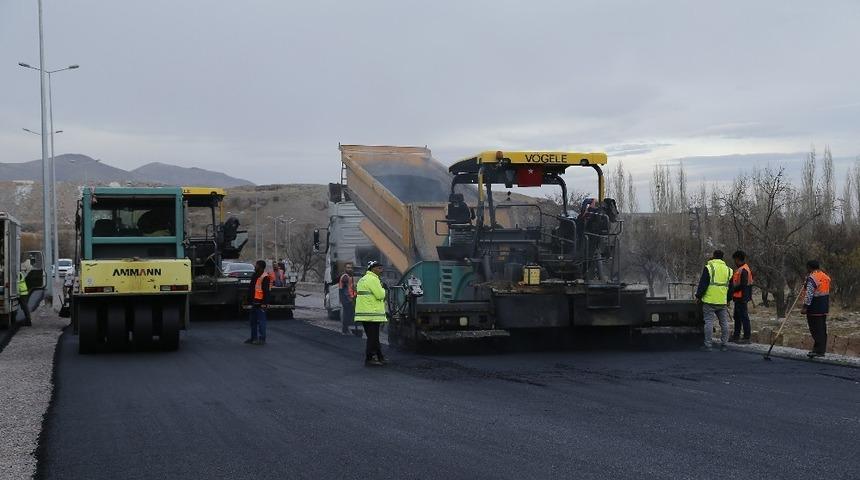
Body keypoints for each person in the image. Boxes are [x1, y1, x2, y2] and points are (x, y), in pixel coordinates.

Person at [695, 250, 733, 351]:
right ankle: (724, 344)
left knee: (709, 322)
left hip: (709, 300)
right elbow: (731, 287)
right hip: (722, 302)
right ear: (722, 258)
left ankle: (708, 345)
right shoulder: (729, 270)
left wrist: (698, 296)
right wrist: (728, 299)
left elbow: (703, 283)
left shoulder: (709, 267)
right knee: (724, 323)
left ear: (713, 256)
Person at [355, 260, 387, 366]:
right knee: (373, 338)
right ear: (372, 269)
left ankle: (380, 356)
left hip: (364, 314)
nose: (381, 270)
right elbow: (380, 295)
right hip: (372, 314)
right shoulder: (373, 279)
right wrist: (384, 289)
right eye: (379, 268)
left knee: (373, 337)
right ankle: (369, 358)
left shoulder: (363, 279)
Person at [801, 260, 831, 358]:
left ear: (809, 267)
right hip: (824, 306)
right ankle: (820, 350)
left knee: (815, 329)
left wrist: (805, 306)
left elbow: (809, 294)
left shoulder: (812, 278)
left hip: (814, 307)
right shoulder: (825, 276)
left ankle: (818, 350)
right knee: (822, 329)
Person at [728, 250, 753, 344]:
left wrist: (733, 290)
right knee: (737, 317)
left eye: (735, 259)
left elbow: (743, 284)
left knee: (743, 317)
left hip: (742, 297)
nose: (734, 262)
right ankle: (736, 335)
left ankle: (746, 337)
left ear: (738, 259)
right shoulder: (741, 269)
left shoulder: (743, 270)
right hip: (739, 297)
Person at [245, 260, 270, 346]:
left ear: (260, 266)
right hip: (254, 302)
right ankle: (253, 338)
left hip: (260, 303)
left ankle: (262, 339)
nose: (255, 266)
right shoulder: (255, 275)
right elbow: (251, 289)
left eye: (256, 265)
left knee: (261, 321)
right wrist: (248, 300)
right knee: (253, 321)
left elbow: (266, 291)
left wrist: (264, 303)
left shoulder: (265, 277)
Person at [339, 262, 357, 335]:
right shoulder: (345, 277)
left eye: (351, 268)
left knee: (348, 315)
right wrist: (351, 298)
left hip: (348, 298)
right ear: (345, 269)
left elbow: (351, 288)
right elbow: (346, 290)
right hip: (346, 299)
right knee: (347, 315)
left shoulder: (348, 276)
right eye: (348, 268)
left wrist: (355, 294)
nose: (350, 269)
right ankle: (345, 330)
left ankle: (346, 330)